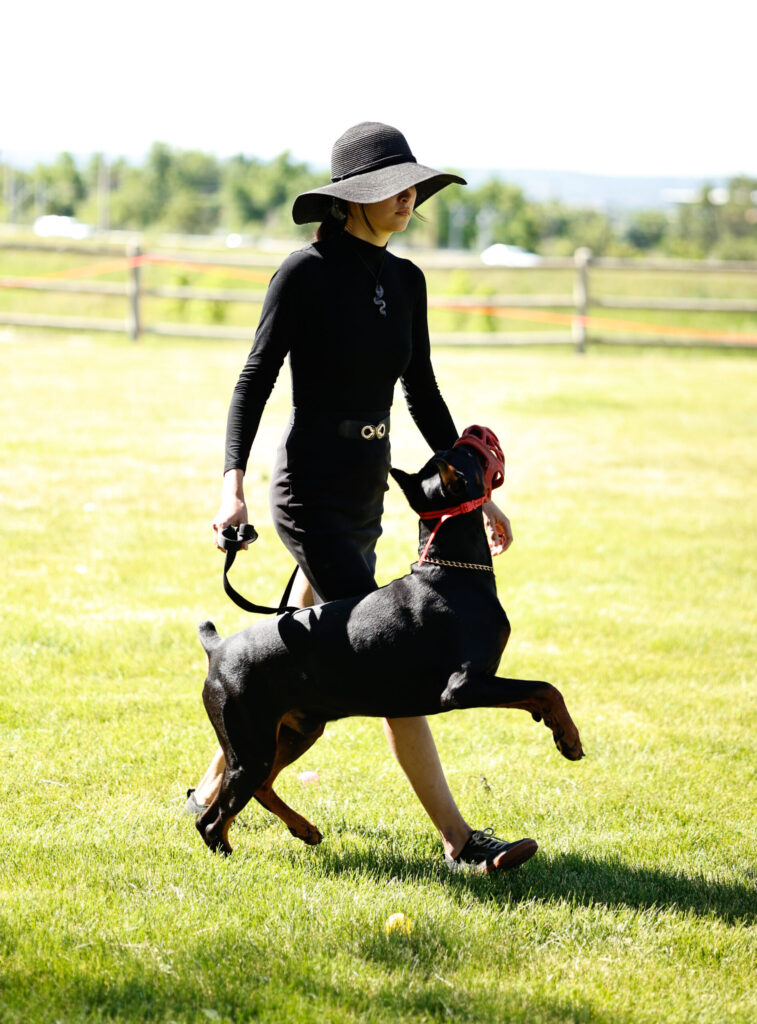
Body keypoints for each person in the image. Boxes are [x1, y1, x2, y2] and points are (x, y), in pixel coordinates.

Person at [187, 122, 537, 873]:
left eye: (412, 186)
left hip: (367, 486)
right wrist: (230, 486)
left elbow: (423, 392)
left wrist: (475, 496)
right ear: (350, 199)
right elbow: (254, 380)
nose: (407, 198)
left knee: (294, 642)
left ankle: (210, 789)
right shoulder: (303, 273)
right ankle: (460, 842)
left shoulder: (406, 281)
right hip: (308, 488)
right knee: (393, 658)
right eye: (390, 187)